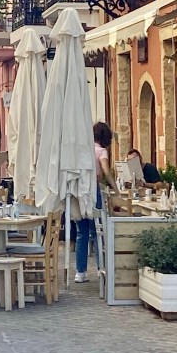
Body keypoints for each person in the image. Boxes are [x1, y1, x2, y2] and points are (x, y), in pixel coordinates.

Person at [75, 122, 118, 284]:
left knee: (81, 233)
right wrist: (116, 190)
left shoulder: (82, 150)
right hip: (94, 192)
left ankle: (80, 272)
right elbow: (106, 171)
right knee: (98, 232)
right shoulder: (101, 151)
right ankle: (101, 269)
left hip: (80, 192)